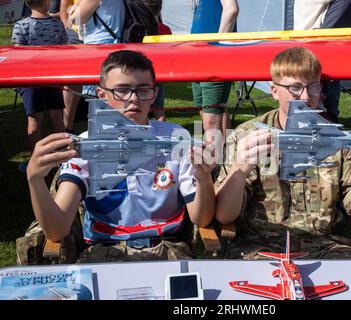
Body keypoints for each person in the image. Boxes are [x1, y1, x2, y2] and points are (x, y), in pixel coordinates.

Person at [215, 47, 351, 259]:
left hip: (326, 248)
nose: (306, 96)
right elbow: (224, 215)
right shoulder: (249, 136)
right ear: (274, 91)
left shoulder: (338, 139)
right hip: (258, 248)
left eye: (314, 87)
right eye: (295, 88)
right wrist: (240, 169)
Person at [25, 50, 216, 262]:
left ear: (154, 93)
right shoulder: (85, 146)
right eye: (122, 91)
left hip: (168, 248)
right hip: (104, 251)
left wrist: (204, 178)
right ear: (101, 95)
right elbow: (57, 230)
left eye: (143, 90)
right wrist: (35, 179)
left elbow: (202, 218)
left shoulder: (177, 139)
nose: (133, 99)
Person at [12, 0, 67, 172]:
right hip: (52, 76)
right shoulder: (58, 25)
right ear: (48, 2)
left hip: (29, 79)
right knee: (57, 116)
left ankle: (35, 161)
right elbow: (64, 51)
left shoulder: (20, 26)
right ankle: (66, 155)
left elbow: (17, 56)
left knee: (34, 119)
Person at [191, 0, 239, 136]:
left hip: (212, 58)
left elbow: (232, 9)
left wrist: (218, 45)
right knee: (212, 111)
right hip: (198, 55)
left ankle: (216, 156)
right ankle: (226, 154)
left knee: (210, 120)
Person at [143, 0, 172, 122]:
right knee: (159, 111)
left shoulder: (138, 28)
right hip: (158, 75)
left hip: (143, 74)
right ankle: (164, 134)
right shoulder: (165, 29)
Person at [60, 0, 82, 134]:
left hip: (98, 37)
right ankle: (68, 126)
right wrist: (67, 29)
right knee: (72, 82)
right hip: (75, 36)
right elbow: (64, 10)